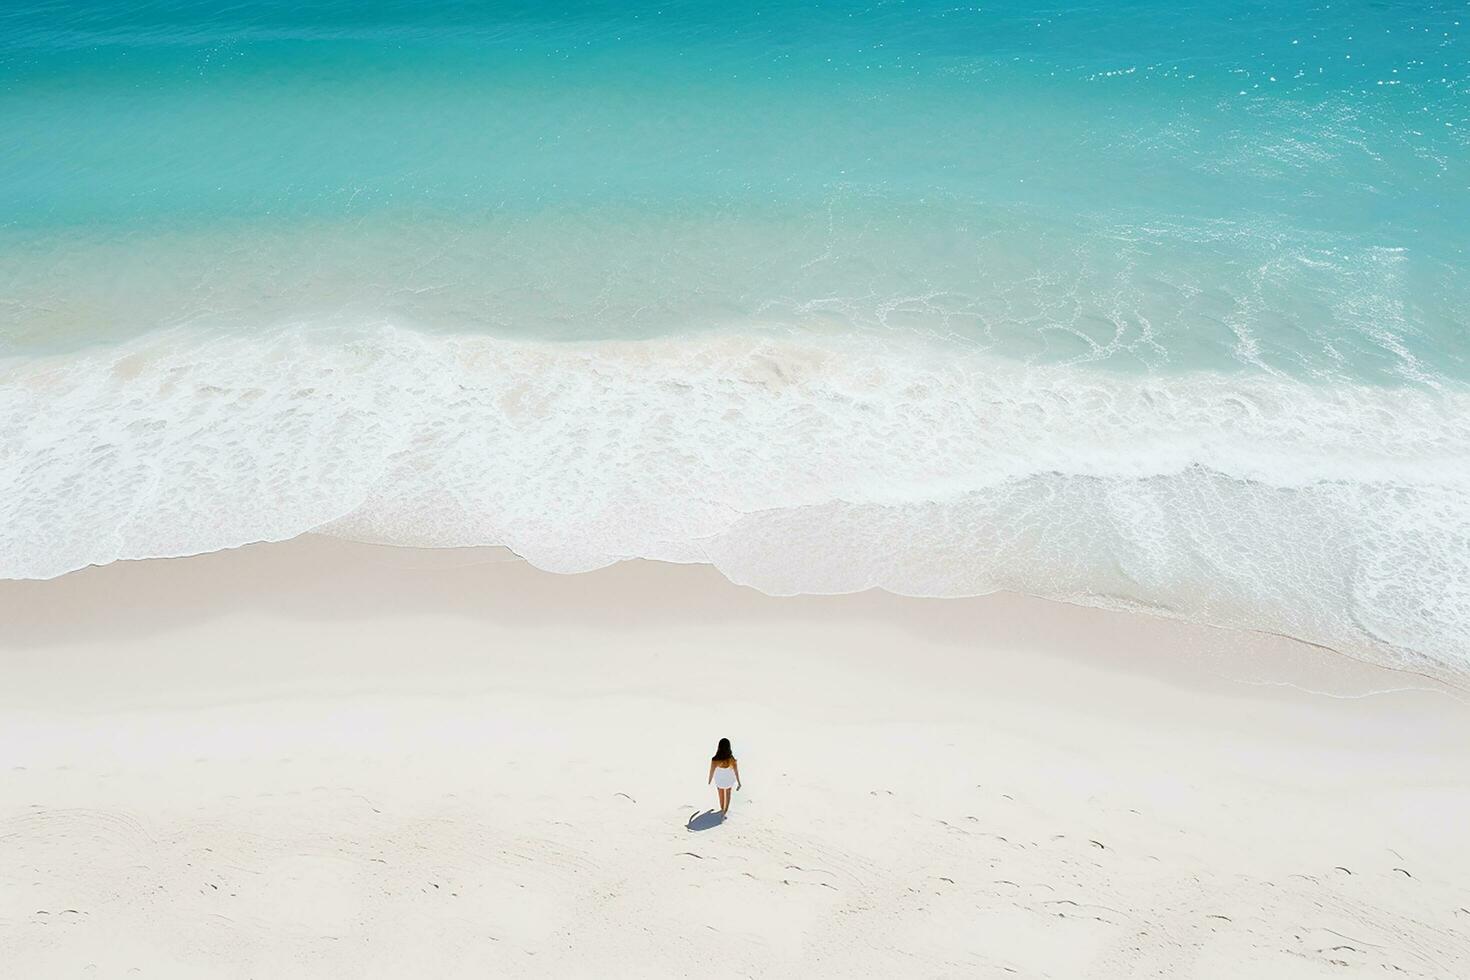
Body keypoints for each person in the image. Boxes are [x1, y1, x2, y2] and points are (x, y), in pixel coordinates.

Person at [707, 737, 741, 816]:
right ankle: (725, 810)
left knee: (721, 792)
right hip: (729, 781)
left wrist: (709, 780)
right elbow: (736, 772)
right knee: (728, 793)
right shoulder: (732, 759)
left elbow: (711, 771)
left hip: (719, 781)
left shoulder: (714, 759)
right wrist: (739, 782)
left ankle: (722, 808)